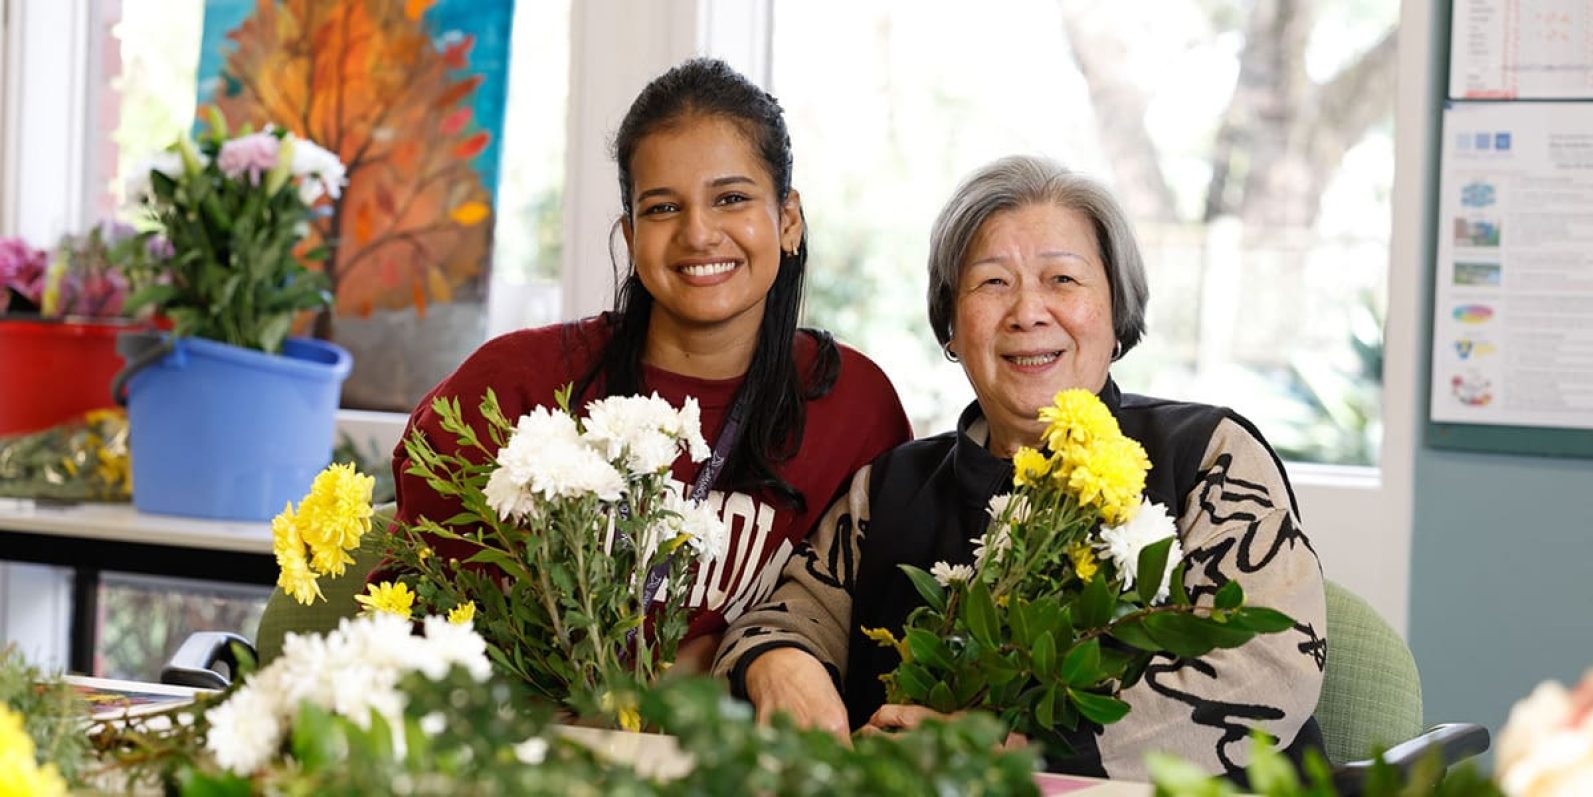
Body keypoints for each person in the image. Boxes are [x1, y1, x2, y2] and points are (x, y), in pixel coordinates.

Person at [713, 155, 1327, 780]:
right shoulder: (887, 490)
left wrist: (1014, 752)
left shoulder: (1207, 457)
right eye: (993, 283)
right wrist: (778, 662)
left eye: (1063, 279)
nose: (1028, 312)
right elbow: (782, 617)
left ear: (1116, 311)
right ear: (951, 325)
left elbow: (1270, 665)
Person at [385, 57, 912, 673]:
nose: (698, 234)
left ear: (787, 220)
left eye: (732, 198)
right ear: (631, 236)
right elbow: (414, 626)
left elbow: (866, 637)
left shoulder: (852, 405)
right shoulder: (511, 387)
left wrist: (713, 664)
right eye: (663, 208)